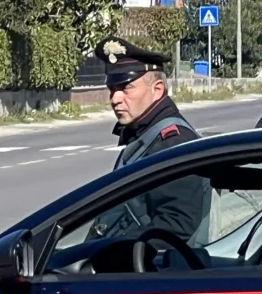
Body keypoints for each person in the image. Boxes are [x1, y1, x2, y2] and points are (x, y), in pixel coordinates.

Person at [87, 36, 207, 246]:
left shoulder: (173, 142)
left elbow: (177, 224)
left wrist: (118, 254)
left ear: (157, 90)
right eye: (112, 90)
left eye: (126, 88)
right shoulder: (143, 135)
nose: (115, 99)